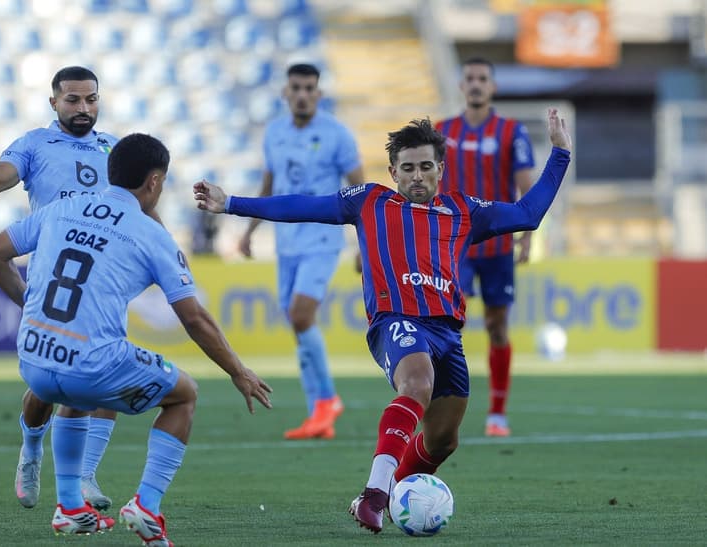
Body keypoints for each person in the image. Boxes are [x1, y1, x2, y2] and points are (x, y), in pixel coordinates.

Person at [194, 108, 571, 533]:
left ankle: (390, 492)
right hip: (396, 321)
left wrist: (559, 153)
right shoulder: (370, 202)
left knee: (444, 439)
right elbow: (304, 206)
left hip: (447, 331)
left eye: (425, 167)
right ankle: (374, 495)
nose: (416, 176)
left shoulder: (464, 211)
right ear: (393, 171)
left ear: (440, 170)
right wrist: (232, 204)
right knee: (417, 382)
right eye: (407, 168)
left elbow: (527, 215)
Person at [0, 132, 273, 541]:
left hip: (33, 359)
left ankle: (69, 506)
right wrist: (238, 371)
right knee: (184, 394)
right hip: (88, 363)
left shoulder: (62, 208)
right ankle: (146, 505)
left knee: (77, 394)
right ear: (154, 182)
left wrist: (31, 304)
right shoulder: (151, 234)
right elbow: (195, 320)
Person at [0, 66, 133, 510]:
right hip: (52, 283)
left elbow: (136, 206)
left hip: (105, 281)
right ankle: (32, 449)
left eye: (91, 99)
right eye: (73, 100)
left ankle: (86, 475)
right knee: (48, 388)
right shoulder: (35, 145)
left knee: (106, 375)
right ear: (54, 102)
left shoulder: (114, 148)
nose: (84, 108)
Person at [238, 63, 365, 440]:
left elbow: (361, 192)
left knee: (301, 313)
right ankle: (318, 414)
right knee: (297, 323)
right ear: (285, 93)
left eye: (310, 88)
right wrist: (249, 230)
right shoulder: (274, 133)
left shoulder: (337, 135)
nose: (303, 94)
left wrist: (364, 243)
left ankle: (327, 399)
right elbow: (269, 186)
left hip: (323, 240)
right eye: (297, 87)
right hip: (286, 242)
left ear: (319, 93)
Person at [436, 58, 537, 437]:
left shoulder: (511, 131)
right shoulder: (441, 131)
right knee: (446, 321)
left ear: (492, 87)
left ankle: (497, 413)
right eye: (470, 79)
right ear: (461, 86)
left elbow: (526, 187)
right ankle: (440, 404)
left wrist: (527, 236)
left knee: (497, 325)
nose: (476, 85)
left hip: (496, 245)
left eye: (483, 79)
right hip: (453, 244)